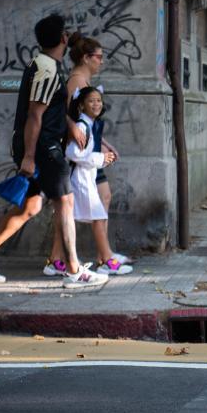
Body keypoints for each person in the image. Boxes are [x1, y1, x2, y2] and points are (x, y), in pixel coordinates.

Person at [0, 14, 108, 289]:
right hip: (44, 147)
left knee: (31, 206)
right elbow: (34, 115)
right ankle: (74, 270)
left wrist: (66, 124)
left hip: (43, 145)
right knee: (66, 201)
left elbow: (50, 108)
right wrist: (29, 156)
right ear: (62, 38)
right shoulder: (46, 68)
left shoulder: (47, 65)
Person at [42, 33, 132, 276]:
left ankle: (66, 258)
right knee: (87, 205)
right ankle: (101, 258)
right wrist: (76, 131)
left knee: (98, 200)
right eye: (99, 57)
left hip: (89, 152)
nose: (101, 61)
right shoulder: (75, 81)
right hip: (81, 157)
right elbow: (63, 114)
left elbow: (89, 123)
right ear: (85, 57)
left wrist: (104, 143)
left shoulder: (83, 80)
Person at [65, 87, 131, 274]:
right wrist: (101, 159)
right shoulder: (82, 126)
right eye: (91, 101)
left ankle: (102, 260)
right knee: (98, 218)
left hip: (87, 178)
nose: (96, 104)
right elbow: (73, 153)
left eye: (98, 100)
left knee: (95, 218)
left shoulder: (89, 124)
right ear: (81, 105)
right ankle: (106, 262)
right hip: (81, 179)